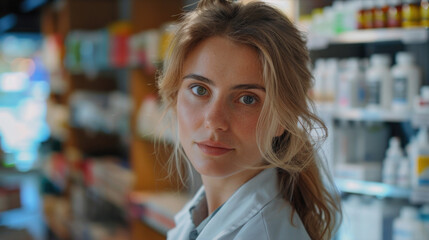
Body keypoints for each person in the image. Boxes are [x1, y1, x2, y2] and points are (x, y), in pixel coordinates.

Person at [157, 0, 342, 239]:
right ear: (174, 97)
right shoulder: (198, 217)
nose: (214, 121)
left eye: (247, 99)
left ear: (282, 119)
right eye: (200, 90)